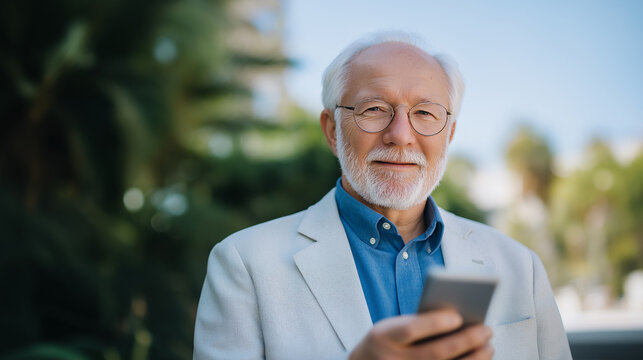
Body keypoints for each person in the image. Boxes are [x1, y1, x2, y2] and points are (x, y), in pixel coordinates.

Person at [193, 31, 572, 360]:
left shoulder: (522, 266)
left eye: (425, 113)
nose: (401, 134)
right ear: (331, 131)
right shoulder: (245, 265)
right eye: (375, 109)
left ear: (450, 135)